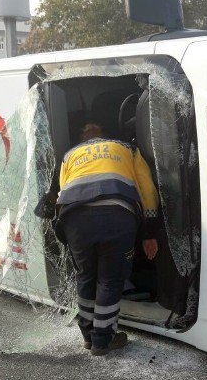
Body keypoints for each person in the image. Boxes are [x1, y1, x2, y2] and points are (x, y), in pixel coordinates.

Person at [47, 123, 160, 356]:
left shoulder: (70, 154)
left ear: (82, 138)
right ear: (104, 135)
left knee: (86, 275)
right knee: (110, 279)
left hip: (74, 219)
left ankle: (88, 336)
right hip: (115, 215)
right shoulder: (126, 148)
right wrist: (150, 232)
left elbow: (61, 191)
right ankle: (103, 340)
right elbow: (147, 190)